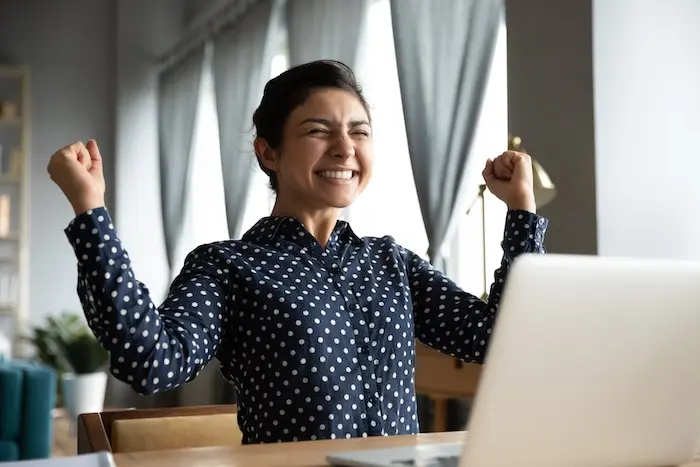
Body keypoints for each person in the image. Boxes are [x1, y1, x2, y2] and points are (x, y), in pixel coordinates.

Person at [47, 60, 548, 444]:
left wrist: (520, 211)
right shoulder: (227, 265)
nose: (344, 148)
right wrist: (90, 211)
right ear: (268, 151)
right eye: (318, 131)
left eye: (359, 131)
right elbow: (151, 361)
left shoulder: (393, 263)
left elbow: (498, 339)